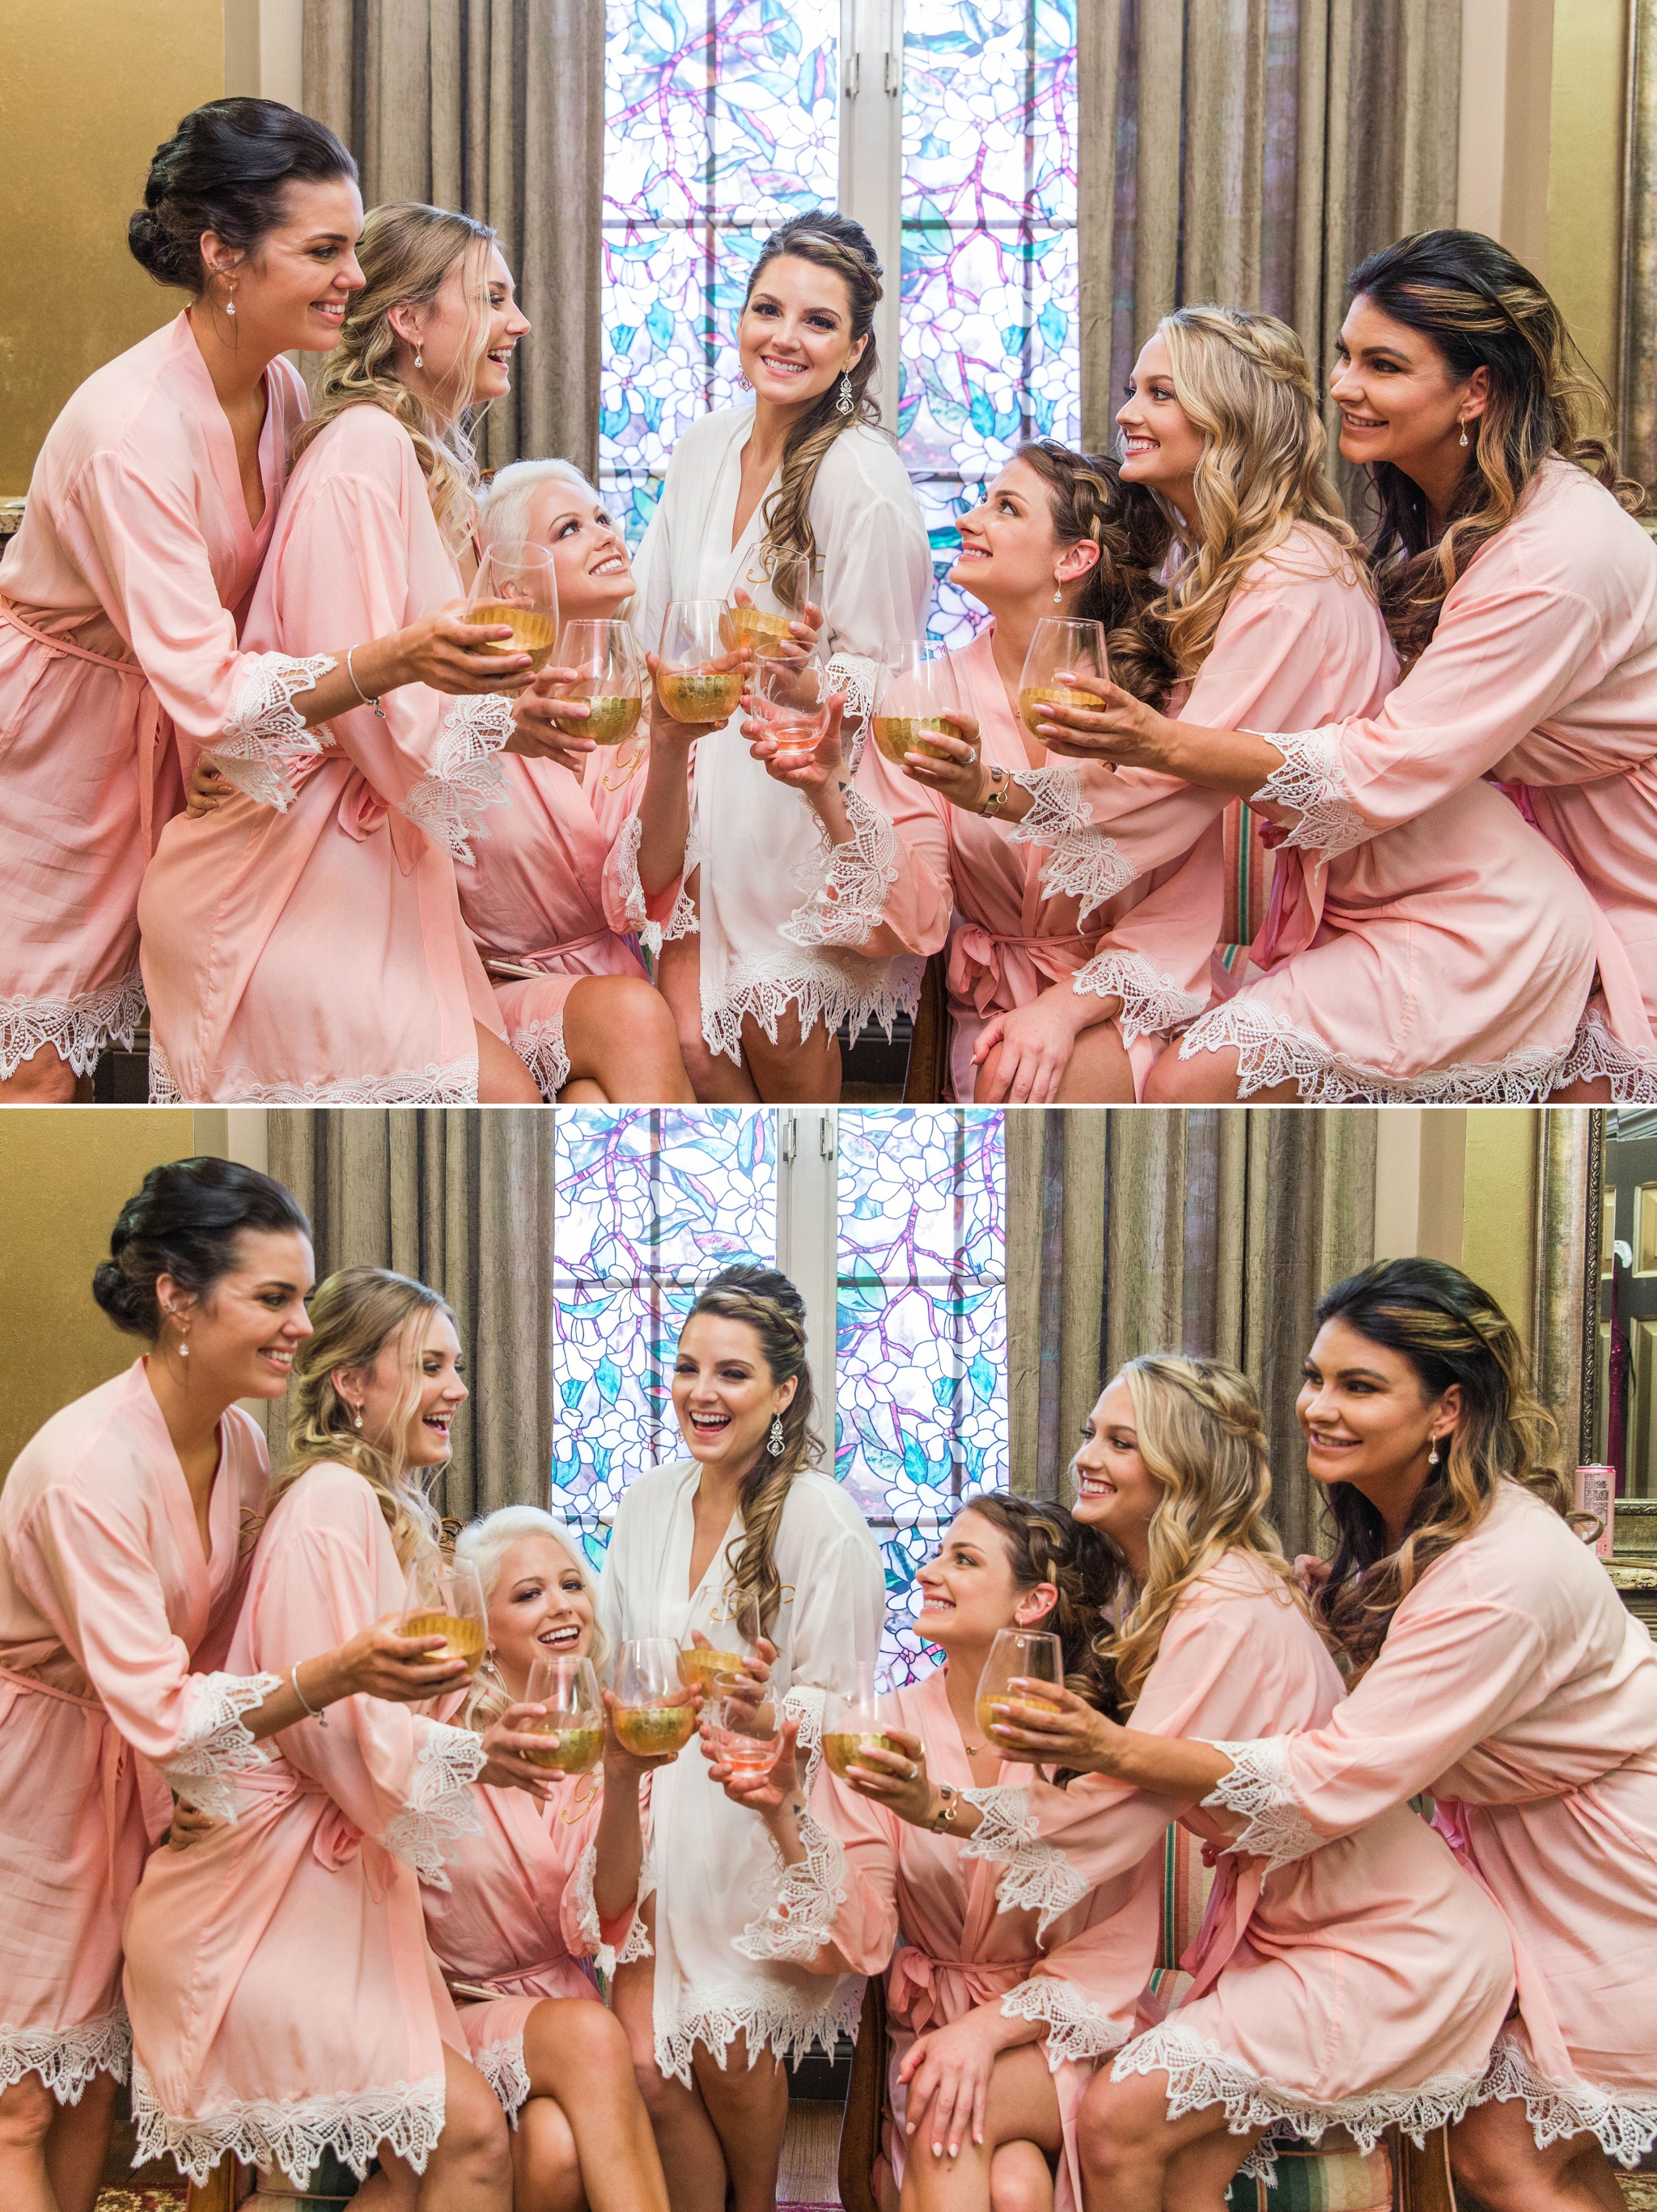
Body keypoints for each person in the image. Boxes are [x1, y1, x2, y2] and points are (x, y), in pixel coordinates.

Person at [1032, 1260, 1657, 2212]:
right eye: (1316, 1377)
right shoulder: (1399, 1520)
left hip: (1603, 1868)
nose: (1317, 1406)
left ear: (1446, 1409)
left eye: (1358, 1386)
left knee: (1511, 2158)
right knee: (1509, 2153)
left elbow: (1338, 1769)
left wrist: (1113, 1750)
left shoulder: (1503, 1576)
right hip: (1501, 1860)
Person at [1034, 235, 1656, 1102]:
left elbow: (1382, 761)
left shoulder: (1552, 558)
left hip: (1623, 866)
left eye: (1383, 365)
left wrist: (1160, 743)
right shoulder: (1437, 509)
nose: (1342, 386)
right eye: (1342, 354)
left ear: (1476, 389)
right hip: (1496, 865)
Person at [0, 100, 536, 1101]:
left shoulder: (282, 391)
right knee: (30, 1066)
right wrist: (396, 661)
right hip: (49, 750)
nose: (356, 276)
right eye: (326, 248)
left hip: (168, 732)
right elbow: (207, 676)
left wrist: (227, 748)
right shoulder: (131, 434)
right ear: (223, 256)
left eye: (355, 245)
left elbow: (264, 618)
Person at [904, 1355, 1515, 2207]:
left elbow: (1113, 1817)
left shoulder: (1221, 1605)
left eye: (1122, 1441)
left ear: (1178, 1471)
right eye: (1090, 1433)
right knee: (1175, 2170)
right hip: (1304, 1941)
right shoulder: (1205, 1594)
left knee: (1115, 2122)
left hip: (1381, 1947)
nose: (1088, 1454)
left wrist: (932, 1805)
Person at [0, 1163, 470, 2212]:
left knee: (95, 2091)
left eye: (303, 1298)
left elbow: (226, 1651)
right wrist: (336, 1672)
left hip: (161, 1783)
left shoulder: (240, 1441)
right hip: (36, 1783)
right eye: (273, 1298)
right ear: (176, 1294)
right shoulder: (87, 1474)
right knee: (24, 2100)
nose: (302, 1325)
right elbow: (175, 1704)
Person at [138, 201, 591, 1105]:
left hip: (368, 872)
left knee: (523, 1093)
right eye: (492, 298)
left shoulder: (419, 456)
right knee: (498, 1097)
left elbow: (401, 681)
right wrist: (499, 721)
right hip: (289, 882)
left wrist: (510, 717)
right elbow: (357, 684)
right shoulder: (365, 449)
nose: (520, 324)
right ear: (410, 320)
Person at [122, 1267, 554, 2204]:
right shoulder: (331, 1504)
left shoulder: (392, 1510)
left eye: (459, 1365)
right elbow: (331, 1732)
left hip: (345, 1894)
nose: (458, 1387)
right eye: (430, 1364)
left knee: (428, 2160)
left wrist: (485, 1736)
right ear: (351, 1382)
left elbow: (393, 1712)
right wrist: (472, 1756)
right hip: (265, 1903)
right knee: (471, 2138)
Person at [712, 1494, 1164, 2212]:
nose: (928, 1572)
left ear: (1034, 1601)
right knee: (1014, 2188)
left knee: (944, 2121)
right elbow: (860, 1935)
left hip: (1072, 2030)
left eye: (964, 1559)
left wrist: (985, 2034)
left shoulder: (1095, 1739)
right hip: (931, 2034)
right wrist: (785, 1810)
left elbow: (1112, 1949)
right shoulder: (880, 1730)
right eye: (939, 1553)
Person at [752, 442, 1179, 1102]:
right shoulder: (921, 700)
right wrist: (830, 784)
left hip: (1134, 995)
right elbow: (918, 918)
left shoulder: (1153, 700)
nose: (971, 518)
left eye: (1004, 507)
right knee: (1008, 1077)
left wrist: (1067, 1009)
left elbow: (1187, 905)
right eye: (982, 498)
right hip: (990, 1017)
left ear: (1074, 558)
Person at [598, 1263, 885, 2212]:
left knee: (725, 2050)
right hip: (647, 1824)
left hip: (753, 1825)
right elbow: (611, 1651)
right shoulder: (645, 1502)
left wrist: (773, 1716)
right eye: (686, 1367)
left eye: (730, 1373)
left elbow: (842, 1701)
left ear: (784, 1390)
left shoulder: (821, 1518)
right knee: (645, 2069)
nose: (700, 1392)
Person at [632, 210, 933, 1103]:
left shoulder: (862, 477)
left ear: (854, 348)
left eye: (817, 321)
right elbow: (652, 618)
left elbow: (888, 676)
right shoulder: (702, 448)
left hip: (794, 803)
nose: (784, 337)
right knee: (689, 1048)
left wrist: (808, 681)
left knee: (780, 1043)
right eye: (768, 309)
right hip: (692, 795)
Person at [409, 1506, 670, 2212]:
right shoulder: (436, 1726)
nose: (561, 1606)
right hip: (449, 2016)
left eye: (571, 1585)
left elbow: (603, 1920)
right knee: (591, 2033)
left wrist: (621, 1780)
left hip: (559, 2017)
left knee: (555, 2148)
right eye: (529, 1594)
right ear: (483, 1631)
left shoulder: (609, 1739)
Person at [463, 461, 698, 1100]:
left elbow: (643, 889)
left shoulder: (647, 703)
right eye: (570, 528)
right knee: (632, 1014)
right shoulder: (466, 704)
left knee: (592, 1098)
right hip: (487, 995)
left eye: (603, 518)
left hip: (602, 989)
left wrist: (672, 748)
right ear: (512, 583)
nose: (604, 535)